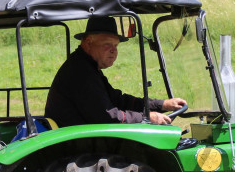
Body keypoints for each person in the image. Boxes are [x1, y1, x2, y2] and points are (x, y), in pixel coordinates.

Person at [45, 16, 186, 127]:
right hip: (76, 145)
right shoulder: (81, 73)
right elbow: (109, 116)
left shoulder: (86, 67)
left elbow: (118, 100)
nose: (114, 50)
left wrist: (162, 104)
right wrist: (148, 118)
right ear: (88, 43)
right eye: (107, 44)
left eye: (116, 45)